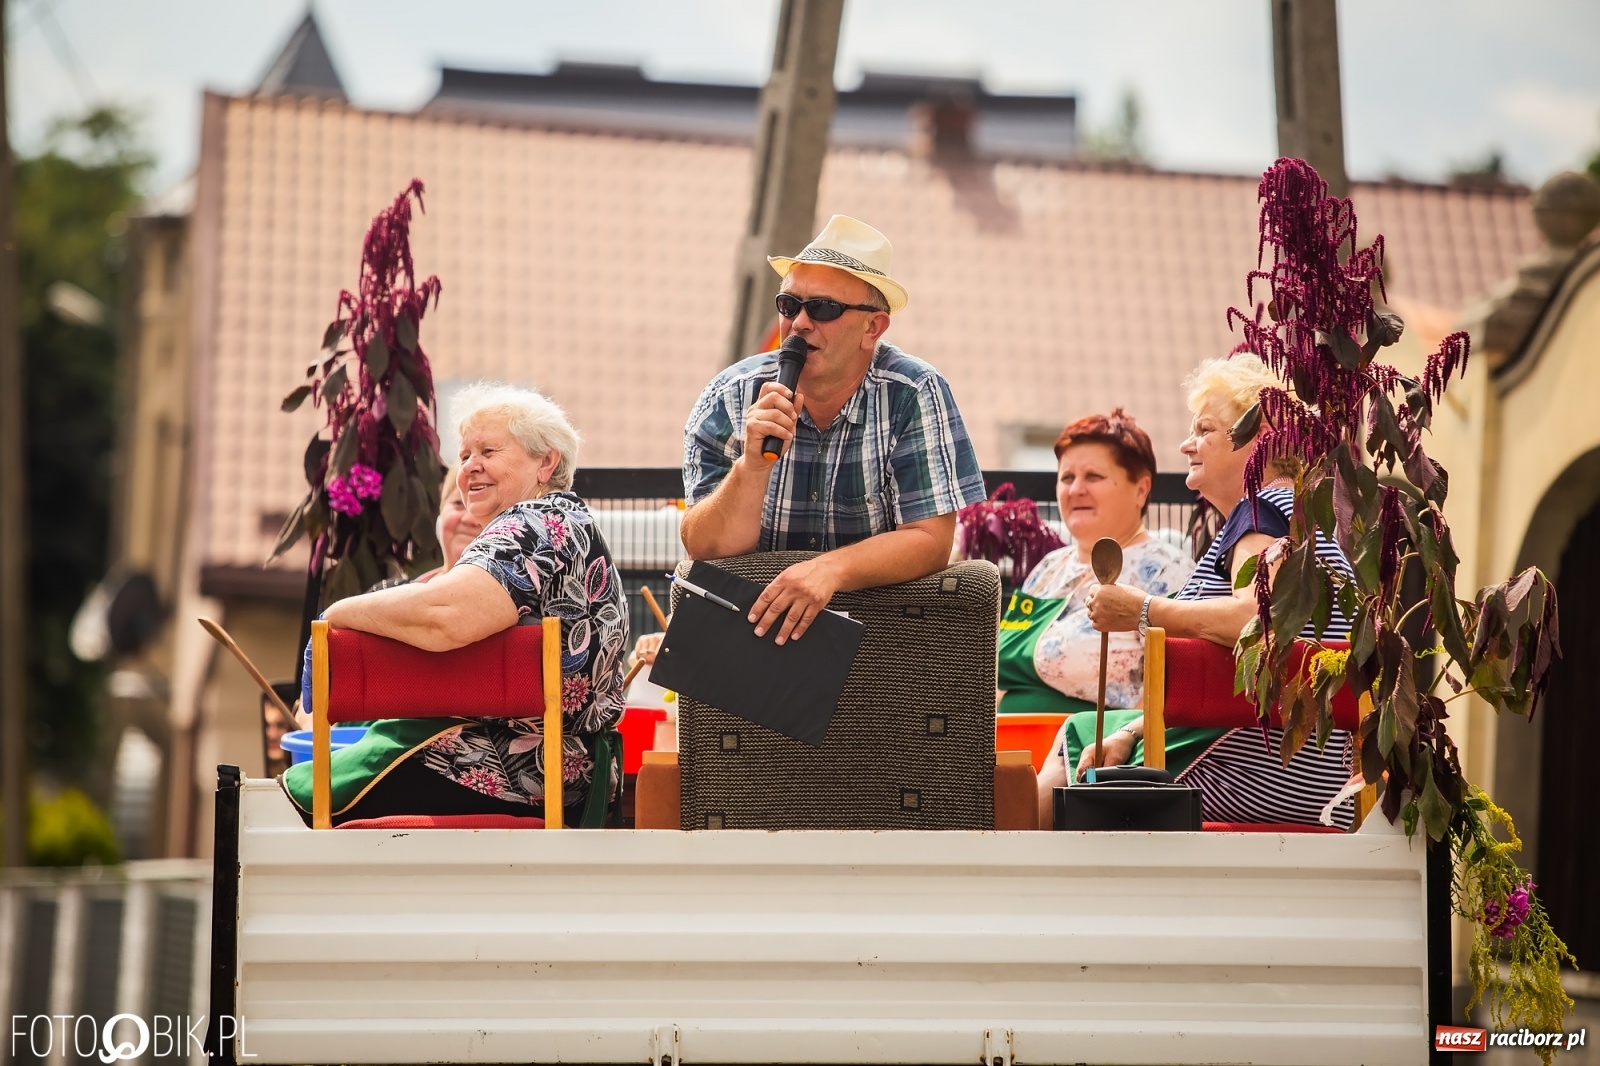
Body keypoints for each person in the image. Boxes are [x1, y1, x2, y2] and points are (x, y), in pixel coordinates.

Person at [281, 383, 629, 826]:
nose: (470, 468)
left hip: (530, 768)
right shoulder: (562, 520)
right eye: (464, 456)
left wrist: (335, 615)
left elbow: (444, 617)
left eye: (488, 451)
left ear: (546, 462)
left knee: (292, 805)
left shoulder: (536, 523)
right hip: (550, 768)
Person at [680, 214, 986, 645]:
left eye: (823, 308)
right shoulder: (730, 396)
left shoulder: (914, 393)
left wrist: (828, 571)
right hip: (752, 644)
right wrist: (751, 468)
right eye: (789, 305)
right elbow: (704, 549)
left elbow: (931, 541)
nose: (800, 323)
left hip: (880, 643)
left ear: (873, 327)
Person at [1081, 354, 1358, 828]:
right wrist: (1130, 732)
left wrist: (1142, 609)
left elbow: (1256, 622)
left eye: (1205, 429)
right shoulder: (1301, 515)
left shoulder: (1262, 514)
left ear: (1260, 440)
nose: (1187, 443)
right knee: (1091, 735)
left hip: (1246, 777)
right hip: (1314, 784)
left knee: (1061, 762)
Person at [1007, 410, 1194, 823]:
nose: (1076, 489)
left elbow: (1177, 685)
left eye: (1093, 477)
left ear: (1141, 488)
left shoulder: (1167, 573)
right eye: (1066, 477)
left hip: (1086, 762)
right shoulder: (1047, 570)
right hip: (1010, 747)